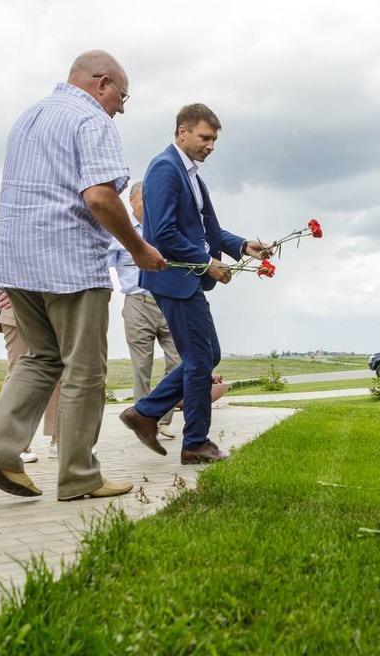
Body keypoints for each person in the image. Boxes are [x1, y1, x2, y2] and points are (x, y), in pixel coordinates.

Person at [0, 50, 166, 501]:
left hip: (16, 263)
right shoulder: (92, 120)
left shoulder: (29, 117)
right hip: (69, 261)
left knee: (40, 357)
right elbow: (99, 196)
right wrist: (138, 249)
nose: (122, 106)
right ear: (102, 83)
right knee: (84, 369)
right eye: (123, 95)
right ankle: (79, 476)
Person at [119, 103, 267, 464]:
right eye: (205, 137)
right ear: (182, 131)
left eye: (214, 139)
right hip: (173, 279)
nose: (211, 145)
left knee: (207, 355)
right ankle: (194, 442)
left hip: (185, 278)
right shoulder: (165, 169)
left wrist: (240, 245)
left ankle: (145, 412)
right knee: (201, 358)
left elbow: (204, 231)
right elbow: (163, 233)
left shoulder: (191, 175)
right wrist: (207, 264)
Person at [108, 180, 181, 439]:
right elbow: (103, 264)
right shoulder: (121, 231)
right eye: (144, 199)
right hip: (137, 303)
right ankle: (143, 420)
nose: (150, 204)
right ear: (132, 201)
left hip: (168, 302)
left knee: (178, 360)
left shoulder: (162, 226)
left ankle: (163, 419)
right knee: (142, 365)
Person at [0, 289, 60, 462]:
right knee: (18, 372)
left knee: (61, 372)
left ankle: (59, 439)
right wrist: (9, 287)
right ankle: (10, 445)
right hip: (16, 304)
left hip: (54, 304)